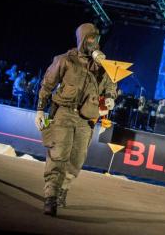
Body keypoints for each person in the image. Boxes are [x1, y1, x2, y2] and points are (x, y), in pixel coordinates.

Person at [34, 23, 117, 217]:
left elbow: (111, 87)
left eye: (96, 39)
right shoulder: (65, 60)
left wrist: (111, 98)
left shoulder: (104, 66)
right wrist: (40, 110)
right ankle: (51, 196)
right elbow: (47, 84)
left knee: (77, 158)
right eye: (89, 39)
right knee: (58, 154)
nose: (93, 43)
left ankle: (63, 189)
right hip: (63, 112)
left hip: (87, 118)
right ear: (81, 39)